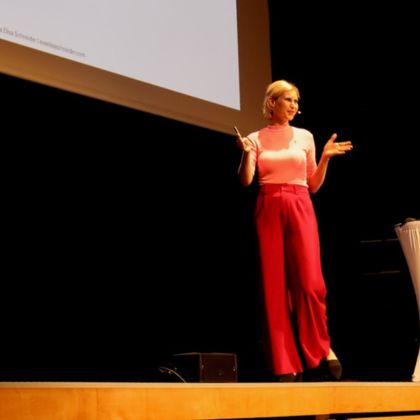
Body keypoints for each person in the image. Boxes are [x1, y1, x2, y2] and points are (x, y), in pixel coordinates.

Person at [235, 79, 353, 382]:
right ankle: (285, 362)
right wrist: (246, 153)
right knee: (273, 288)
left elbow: (313, 184)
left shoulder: (305, 136)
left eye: (296, 101)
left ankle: (322, 348)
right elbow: (246, 180)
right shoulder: (255, 138)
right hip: (269, 206)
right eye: (288, 99)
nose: (294, 106)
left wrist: (324, 158)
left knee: (311, 283)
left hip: (300, 204)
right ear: (272, 102)